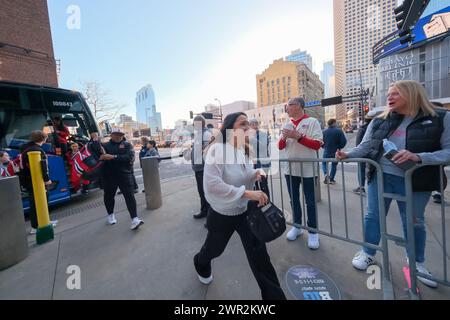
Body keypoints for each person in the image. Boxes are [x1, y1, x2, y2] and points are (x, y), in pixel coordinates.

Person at [336, 80, 450, 288]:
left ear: (412, 93)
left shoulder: (440, 118)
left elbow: (448, 151)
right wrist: (347, 154)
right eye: (388, 94)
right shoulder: (380, 120)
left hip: (417, 180)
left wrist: (418, 157)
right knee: (373, 215)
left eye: (395, 93)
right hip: (379, 177)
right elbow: (366, 146)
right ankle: (368, 252)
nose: (389, 97)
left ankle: (417, 262)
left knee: (414, 220)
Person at [193, 112, 286, 300]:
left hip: (247, 212)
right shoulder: (217, 149)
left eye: (247, 124)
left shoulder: (242, 149)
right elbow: (212, 184)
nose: (247, 127)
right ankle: (200, 262)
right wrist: (247, 193)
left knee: (260, 258)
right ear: (229, 128)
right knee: (213, 250)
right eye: (242, 123)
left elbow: (245, 172)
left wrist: (257, 172)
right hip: (222, 214)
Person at [278, 97, 323, 249]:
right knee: (294, 200)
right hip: (290, 170)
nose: (287, 107)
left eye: (289, 105)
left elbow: (317, 145)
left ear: (298, 106)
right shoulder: (287, 124)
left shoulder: (312, 122)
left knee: (310, 201)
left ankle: (313, 231)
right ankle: (297, 226)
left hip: (308, 170)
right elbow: (280, 146)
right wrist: (284, 137)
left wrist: (299, 137)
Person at [100, 129, 144, 230]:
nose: (118, 136)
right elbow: (101, 157)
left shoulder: (127, 145)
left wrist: (112, 157)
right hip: (109, 176)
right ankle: (110, 215)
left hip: (124, 175)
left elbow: (129, 158)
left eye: (120, 134)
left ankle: (135, 219)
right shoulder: (105, 146)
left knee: (130, 196)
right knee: (109, 196)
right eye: (116, 134)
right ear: (111, 135)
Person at [19, 131, 58, 234]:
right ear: (43, 139)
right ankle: (37, 225)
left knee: (36, 202)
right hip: (37, 181)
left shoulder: (25, 149)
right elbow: (43, 166)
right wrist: (46, 179)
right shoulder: (38, 150)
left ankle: (44, 221)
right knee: (39, 202)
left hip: (28, 180)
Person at [353, 110, 381, 195]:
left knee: (361, 169)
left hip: (363, 153)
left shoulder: (363, 128)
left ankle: (361, 187)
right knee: (373, 169)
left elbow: (358, 143)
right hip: (375, 154)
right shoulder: (379, 127)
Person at [191, 115, 213, 220]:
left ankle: (209, 215)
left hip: (203, 168)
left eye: (194, 123)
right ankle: (205, 211)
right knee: (202, 191)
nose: (193, 125)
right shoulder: (200, 134)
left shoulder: (206, 134)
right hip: (199, 168)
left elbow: (209, 151)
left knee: (205, 192)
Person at [321, 119, 347, 185]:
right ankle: (331, 179)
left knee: (324, 163)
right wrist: (339, 147)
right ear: (334, 123)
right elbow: (344, 141)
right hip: (336, 151)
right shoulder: (339, 131)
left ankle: (326, 174)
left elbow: (321, 141)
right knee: (334, 165)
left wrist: (324, 146)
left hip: (327, 150)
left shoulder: (324, 132)